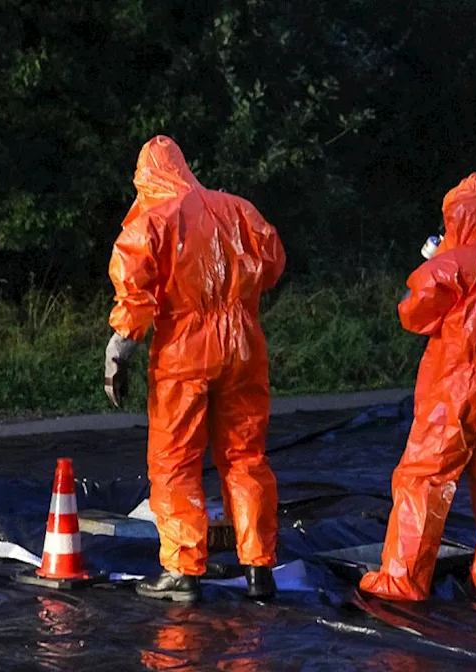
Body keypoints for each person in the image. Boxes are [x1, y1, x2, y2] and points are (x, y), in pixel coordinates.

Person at [104, 135, 285, 603]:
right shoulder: (238, 209)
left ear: (146, 177)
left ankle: (183, 571)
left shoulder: (153, 222)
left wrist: (119, 351)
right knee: (246, 458)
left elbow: (134, 288)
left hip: (185, 352)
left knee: (175, 462)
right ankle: (259, 569)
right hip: (244, 346)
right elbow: (273, 263)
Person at [360, 173, 476, 604]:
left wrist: (435, 259)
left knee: (424, 478)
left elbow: (413, 313)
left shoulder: (452, 263)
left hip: (458, 384)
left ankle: (403, 581)